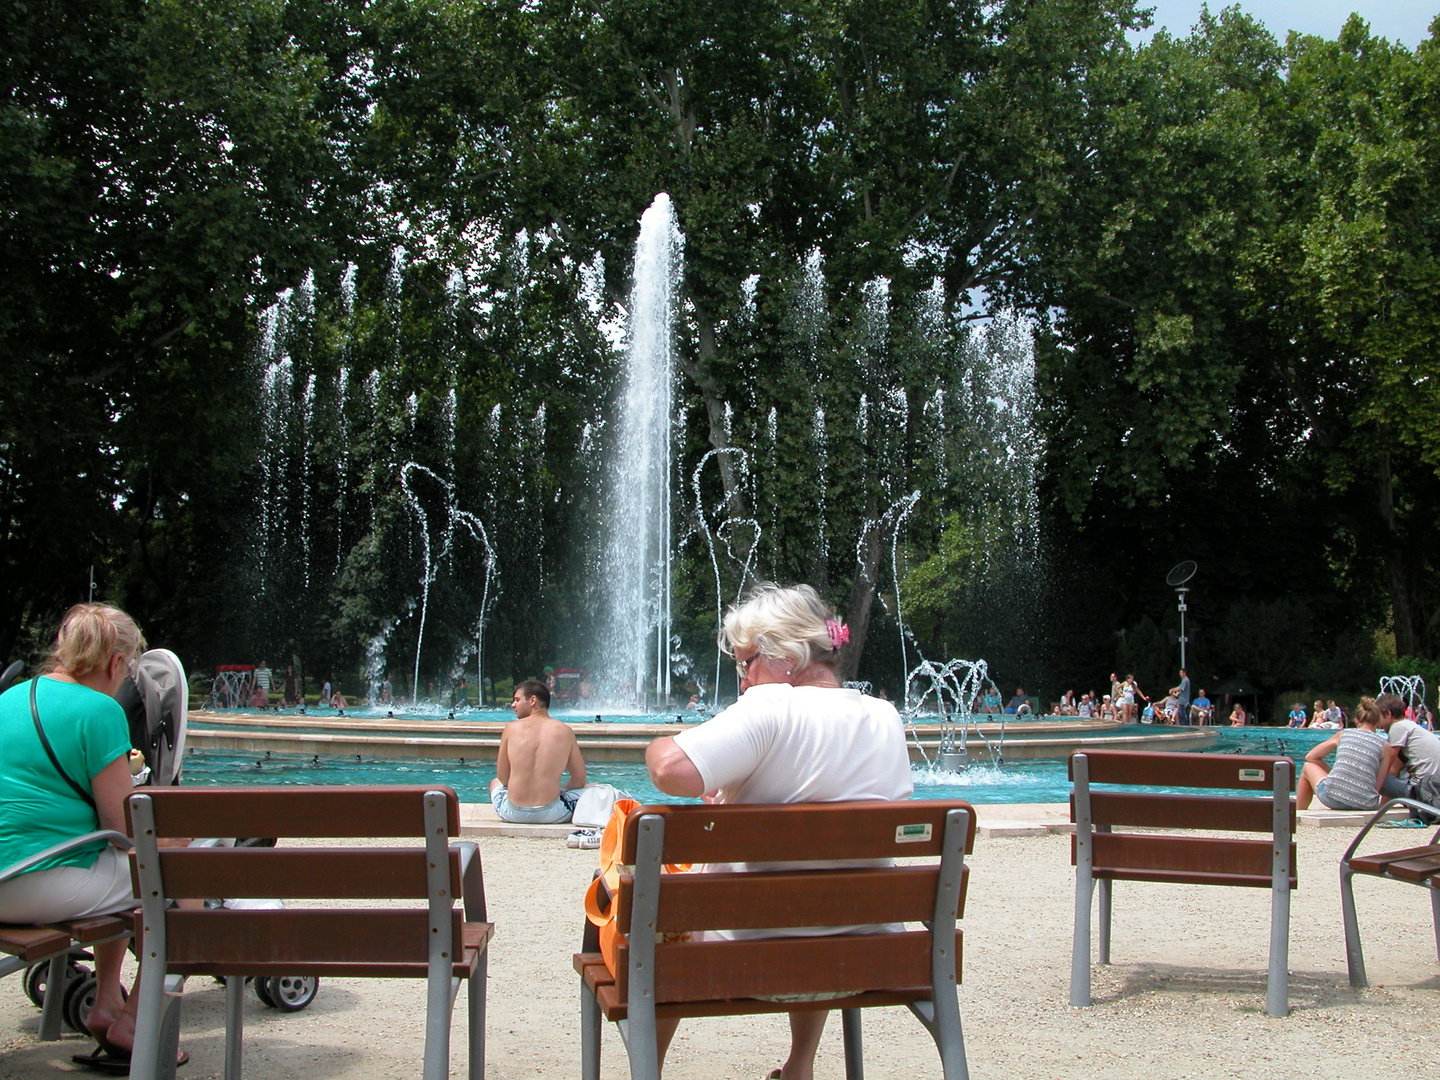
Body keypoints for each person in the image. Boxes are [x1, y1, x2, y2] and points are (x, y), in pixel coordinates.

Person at [646, 583, 911, 1080]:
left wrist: (662, 742)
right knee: (819, 888)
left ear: (785, 656)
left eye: (747, 662)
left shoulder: (770, 707)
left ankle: (648, 1070)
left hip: (746, 948)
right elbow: (817, 786)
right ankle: (800, 1066)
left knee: (644, 903)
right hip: (859, 948)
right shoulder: (885, 716)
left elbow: (670, 771)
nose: (744, 680)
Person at [0, 604, 187, 1068]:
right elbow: (123, 829)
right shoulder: (100, 711)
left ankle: (106, 1002)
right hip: (37, 884)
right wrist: (176, 842)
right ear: (113, 663)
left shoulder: (7, 700)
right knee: (180, 876)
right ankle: (134, 1022)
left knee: (125, 873)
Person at [488, 680, 586, 824]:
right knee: (592, 788)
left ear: (532, 700)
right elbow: (579, 780)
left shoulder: (511, 729)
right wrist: (559, 791)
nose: (512, 705)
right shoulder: (565, 731)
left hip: (513, 813)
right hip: (552, 814)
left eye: (517, 700)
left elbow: (503, 778)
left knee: (494, 782)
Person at [1297, 696, 1397, 810]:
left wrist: (1330, 771)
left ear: (1356, 720)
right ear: (1378, 721)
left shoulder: (1344, 734)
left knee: (1307, 766)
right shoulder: (1385, 746)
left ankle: (1299, 813)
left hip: (1333, 798)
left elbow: (1310, 756)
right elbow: (1377, 786)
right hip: (1366, 804)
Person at [1376, 692, 1440, 802]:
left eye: (1378, 717)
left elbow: (1388, 768)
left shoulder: (1397, 727)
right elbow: (1396, 766)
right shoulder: (1409, 726)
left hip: (1422, 791)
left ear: (1388, 714)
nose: (1377, 722)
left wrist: (1380, 807)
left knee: (1378, 776)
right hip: (1434, 790)